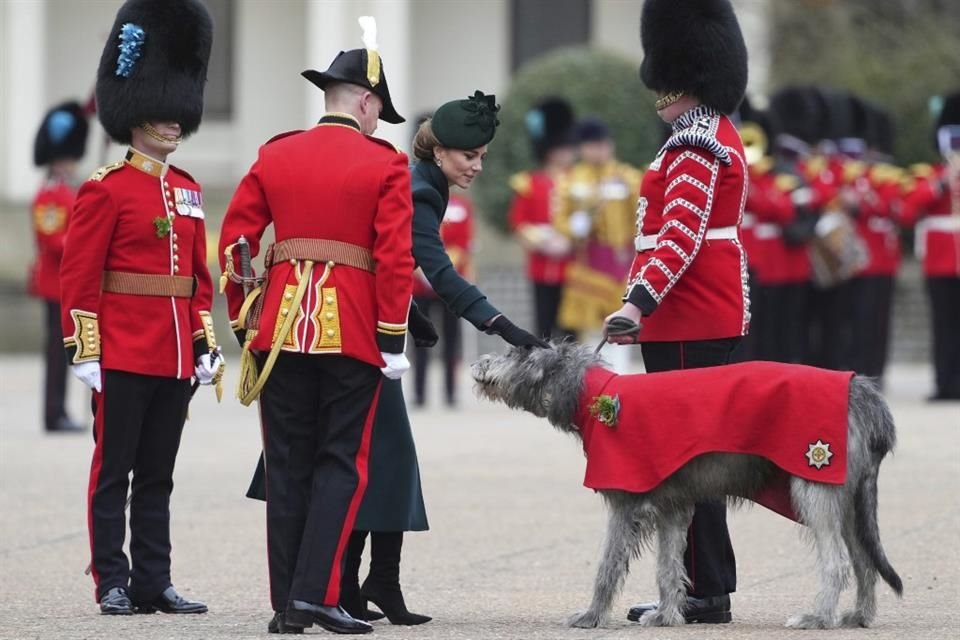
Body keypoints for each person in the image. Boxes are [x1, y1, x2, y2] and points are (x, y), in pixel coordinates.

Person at [219, 19, 414, 635]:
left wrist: (249, 312)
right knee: (339, 462)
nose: (379, 122)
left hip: (277, 332)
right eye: (379, 110)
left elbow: (237, 245)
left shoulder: (275, 153)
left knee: (286, 463)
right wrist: (392, 337)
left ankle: (288, 604)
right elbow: (394, 257)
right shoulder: (385, 164)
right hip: (353, 330)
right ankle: (316, 595)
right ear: (365, 101)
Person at [58, 0, 221, 616]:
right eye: (164, 114)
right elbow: (80, 275)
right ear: (135, 117)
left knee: (158, 475)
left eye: (180, 114)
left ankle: (155, 578)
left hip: (175, 353)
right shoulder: (104, 189)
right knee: (114, 472)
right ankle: (112, 580)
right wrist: (83, 348)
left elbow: (198, 279)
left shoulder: (188, 190)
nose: (176, 124)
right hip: (123, 350)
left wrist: (205, 342)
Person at [603, 0, 749, 624]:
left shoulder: (694, 144)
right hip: (693, 313)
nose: (656, 94)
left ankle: (700, 589)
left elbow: (680, 238)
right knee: (696, 457)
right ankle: (703, 584)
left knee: (689, 460)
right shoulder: (703, 136)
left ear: (683, 81)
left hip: (687, 316)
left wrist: (638, 303)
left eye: (665, 84)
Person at [554, 117, 642, 352]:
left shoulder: (628, 177)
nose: (600, 149)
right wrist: (580, 223)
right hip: (588, 264)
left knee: (621, 331)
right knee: (590, 336)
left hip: (621, 265)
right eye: (594, 145)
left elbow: (642, 214)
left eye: (604, 144)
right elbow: (560, 220)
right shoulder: (570, 179)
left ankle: (618, 384)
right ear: (582, 148)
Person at [29, 100, 90, 433]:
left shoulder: (66, 190)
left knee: (62, 349)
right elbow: (53, 239)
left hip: (65, 282)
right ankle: (54, 414)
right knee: (56, 352)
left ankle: (58, 411)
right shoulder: (51, 194)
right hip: (55, 282)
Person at [900, 91, 960, 401]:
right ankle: (944, 383)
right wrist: (940, 185)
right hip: (939, 262)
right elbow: (908, 211)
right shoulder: (930, 175)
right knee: (943, 325)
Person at [507, 97, 577, 340]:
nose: (568, 154)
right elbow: (518, 223)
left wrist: (570, 241)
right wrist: (545, 242)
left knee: (571, 331)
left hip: (574, 265)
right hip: (541, 265)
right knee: (544, 327)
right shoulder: (529, 182)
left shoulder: (580, 181)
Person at [411, 190, 472, 408]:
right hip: (418, 282)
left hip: (449, 281)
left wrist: (441, 270)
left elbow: (463, 243)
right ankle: (419, 393)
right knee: (420, 341)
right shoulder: (414, 202)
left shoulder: (461, 205)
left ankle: (450, 392)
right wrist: (423, 270)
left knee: (451, 341)